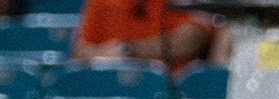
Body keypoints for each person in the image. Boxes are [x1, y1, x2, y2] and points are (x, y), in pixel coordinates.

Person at [72, 0, 218, 68]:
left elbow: (190, 42)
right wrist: (108, 55)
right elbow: (80, 52)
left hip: (172, 93)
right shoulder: (102, 2)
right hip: (111, 91)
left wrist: (127, 50)